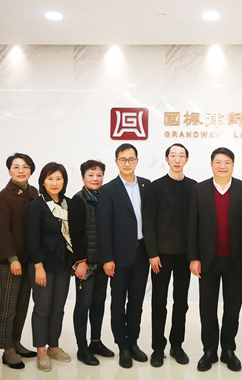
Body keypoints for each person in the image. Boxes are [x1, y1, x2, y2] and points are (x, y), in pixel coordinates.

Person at [188, 147, 242, 372]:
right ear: (211, 165)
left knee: (232, 307)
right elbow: (192, 227)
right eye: (218, 162)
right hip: (207, 260)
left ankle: (228, 349)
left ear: (233, 165)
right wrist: (193, 258)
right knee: (207, 308)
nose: (222, 166)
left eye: (227, 162)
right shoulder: (199, 190)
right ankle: (209, 350)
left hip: (235, 261)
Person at [97, 143, 151, 369]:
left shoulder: (146, 185)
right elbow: (103, 227)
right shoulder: (108, 190)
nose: (127, 163)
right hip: (118, 257)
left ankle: (134, 342)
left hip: (142, 254)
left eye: (131, 159)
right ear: (116, 162)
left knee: (136, 302)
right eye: (123, 159)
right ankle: (123, 346)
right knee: (118, 303)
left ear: (137, 161)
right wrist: (107, 258)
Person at [143, 143, 197, 367]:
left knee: (181, 303)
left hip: (184, 256)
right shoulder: (156, 187)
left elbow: (197, 224)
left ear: (186, 160)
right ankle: (158, 348)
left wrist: (194, 256)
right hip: (161, 256)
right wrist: (152, 253)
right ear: (166, 159)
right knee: (159, 302)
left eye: (181, 156)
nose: (177, 159)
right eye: (173, 155)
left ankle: (177, 345)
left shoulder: (194, 187)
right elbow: (148, 222)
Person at [26, 162, 73, 372]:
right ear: (43, 182)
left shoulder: (68, 204)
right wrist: (38, 267)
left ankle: (53, 347)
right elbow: (32, 238)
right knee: (42, 308)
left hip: (63, 265)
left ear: (64, 181)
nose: (54, 183)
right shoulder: (37, 206)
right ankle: (41, 351)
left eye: (58, 179)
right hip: (42, 265)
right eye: (50, 179)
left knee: (58, 308)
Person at [0, 153, 38, 369]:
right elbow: (1, 231)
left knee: (21, 304)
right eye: (16, 167)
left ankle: (17, 341)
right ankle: (7, 348)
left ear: (31, 170)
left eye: (25, 167)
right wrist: (12, 259)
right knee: (7, 306)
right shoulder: (4, 196)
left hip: (29, 259)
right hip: (10, 261)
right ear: (9, 170)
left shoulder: (34, 192)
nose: (21, 170)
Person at [70, 160, 114, 366]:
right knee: (83, 305)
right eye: (90, 175)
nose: (95, 179)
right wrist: (80, 261)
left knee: (98, 304)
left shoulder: (106, 198)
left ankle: (95, 342)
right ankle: (82, 348)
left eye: (99, 175)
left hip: (102, 263)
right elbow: (75, 234)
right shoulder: (78, 200)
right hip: (85, 265)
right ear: (83, 177)